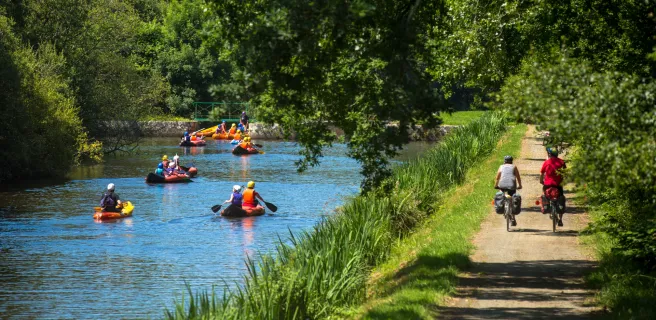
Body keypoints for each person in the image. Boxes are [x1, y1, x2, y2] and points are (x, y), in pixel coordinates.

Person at [540, 147, 567, 226]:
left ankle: (547, 204)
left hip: (547, 184)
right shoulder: (562, 162)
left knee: (544, 193)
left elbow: (541, 173)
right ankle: (560, 219)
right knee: (561, 196)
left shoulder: (547, 162)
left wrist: (541, 181)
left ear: (549, 154)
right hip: (558, 185)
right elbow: (565, 173)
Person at [494, 155, 522, 226]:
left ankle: (502, 206)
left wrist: (496, 185)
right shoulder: (514, 167)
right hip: (512, 186)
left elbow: (498, 177)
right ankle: (513, 218)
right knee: (512, 198)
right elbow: (518, 177)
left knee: (502, 194)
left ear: (504, 161)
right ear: (511, 161)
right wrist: (520, 185)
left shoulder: (501, 166)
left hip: (502, 186)